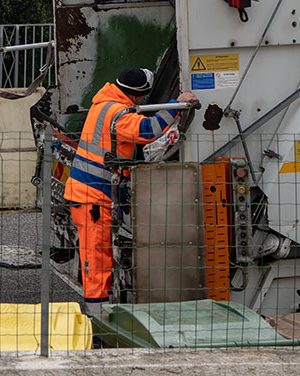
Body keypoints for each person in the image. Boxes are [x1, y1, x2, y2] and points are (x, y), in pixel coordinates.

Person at [63, 67, 199, 316]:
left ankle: (98, 310)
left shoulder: (104, 102)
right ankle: (96, 317)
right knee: (96, 259)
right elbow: (149, 130)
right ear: (138, 96)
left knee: (97, 256)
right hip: (92, 196)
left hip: (88, 194)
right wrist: (177, 105)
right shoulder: (119, 113)